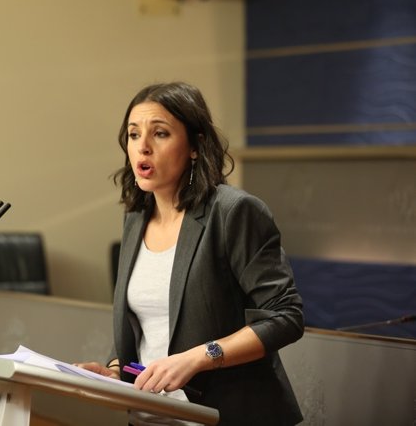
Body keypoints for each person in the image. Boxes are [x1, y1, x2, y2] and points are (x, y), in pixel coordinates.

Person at [78, 82, 304, 425]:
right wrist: (113, 372)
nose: (143, 148)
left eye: (161, 134)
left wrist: (199, 357)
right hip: (149, 415)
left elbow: (286, 317)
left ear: (195, 146)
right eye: (134, 135)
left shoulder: (233, 212)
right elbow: (146, 327)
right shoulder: (135, 218)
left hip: (224, 415)